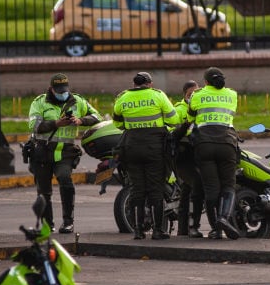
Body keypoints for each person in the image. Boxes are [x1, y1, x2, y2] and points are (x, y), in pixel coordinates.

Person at [28, 73, 101, 233]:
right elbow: (34, 125)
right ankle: (48, 225)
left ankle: (68, 222)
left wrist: (81, 121)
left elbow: (97, 116)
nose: (62, 93)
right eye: (58, 90)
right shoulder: (40, 102)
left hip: (65, 152)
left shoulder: (77, 101)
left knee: (65, 180)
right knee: (43, 190)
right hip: (42, 152)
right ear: (51, 89)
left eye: (64, 90)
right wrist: (56, 123)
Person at [113, 72, 180, 240]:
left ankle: (138, 231)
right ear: (149, 84)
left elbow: (117, 123)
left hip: (131, 147)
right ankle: (158, 230)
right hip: (154, 148)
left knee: (137, 190)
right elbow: (174, 119)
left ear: (134, 83)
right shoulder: (158, 95)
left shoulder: (123, 98)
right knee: (155, 189)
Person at [187, 67, 242, 240]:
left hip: (204, 144)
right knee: (228, 186)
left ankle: (215, 229)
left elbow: (190, 118)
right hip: (227, 143)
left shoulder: (197, 95)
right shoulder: (232, 95)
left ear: (206, 82)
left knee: (211, 189)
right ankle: (223, 218)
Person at [172, 80, 205, 237]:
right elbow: (175, 130)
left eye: (195, 93)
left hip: (198, 154)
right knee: (196, 184)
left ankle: (182, 230)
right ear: (184, 95)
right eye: (189, 94)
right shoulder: (179, 109)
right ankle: (192, 227)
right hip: (184, 155)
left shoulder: (201, 106)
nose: (192, 96)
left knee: (187, 190)